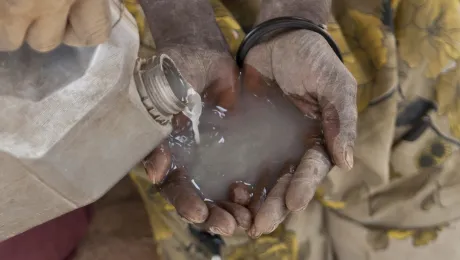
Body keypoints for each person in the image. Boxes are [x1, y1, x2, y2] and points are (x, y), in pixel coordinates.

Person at [1, 0, 460, 260]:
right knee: (243, 240)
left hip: (384, 33)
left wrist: (293, 15)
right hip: (149, 42)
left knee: (410, 195)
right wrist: (183, 27)